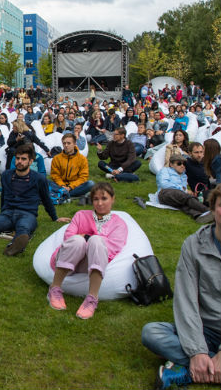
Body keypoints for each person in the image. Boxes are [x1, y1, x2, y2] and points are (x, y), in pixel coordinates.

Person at [141, 186, 221, 389]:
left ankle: (185, 371)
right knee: (152, 333)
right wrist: (197, 351)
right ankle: (207, 365)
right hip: (204, 328)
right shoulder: (194, 245)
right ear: (213, 209)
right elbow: (186, 299)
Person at [46, 183, 127, 319]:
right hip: (69, 256)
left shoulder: (119, 223)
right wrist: (83, 239)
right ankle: (54, 289)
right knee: (77, 241)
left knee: (96, 241)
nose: (100, 203)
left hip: (91, 263)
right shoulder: (81, 215)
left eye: (104, 199)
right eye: (96, 199)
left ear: (113, 199)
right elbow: (69, 237)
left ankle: (91, 299)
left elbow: (113, 247)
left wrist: (88, 237)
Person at [156, 154, 214, 224]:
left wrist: (188, 191)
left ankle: (198, 216)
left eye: (184, 164)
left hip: (177, 196)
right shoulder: (165, 170)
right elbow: (164, 184)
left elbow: (184, 190)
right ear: (171, 164)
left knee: (184, 204)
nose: (182, 166)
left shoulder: (184, 176)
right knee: (186, 197)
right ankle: (208, 211)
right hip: (165, 193)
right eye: (179, 163)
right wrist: (184, 190)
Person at [50, 133, 94, 199]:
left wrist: (70, 187)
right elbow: (55, 175)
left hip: (75, 186)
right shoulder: (56, 158)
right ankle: (68, 195)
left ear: (74, 143)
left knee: (91, 184)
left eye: (68, 143)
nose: (66, 145)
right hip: (60, 185)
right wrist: (62, 185)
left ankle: (62, 194)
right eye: (64, 143)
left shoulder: (82, 159)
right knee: (43, 181)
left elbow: (83, 177)